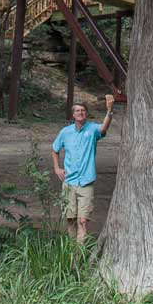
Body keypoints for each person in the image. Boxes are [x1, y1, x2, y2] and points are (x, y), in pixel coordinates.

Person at [51, 93, 116, 243]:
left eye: (83, 111)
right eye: (77, 111)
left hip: (86, 182)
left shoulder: (92, 129)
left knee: (83, 221)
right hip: (69, 182)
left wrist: (109, 111)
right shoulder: (65, 132)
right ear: (73, 114)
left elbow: (104, 127)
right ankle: (71, 255)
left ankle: (79, 258)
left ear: (86, 113)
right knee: (70, 220)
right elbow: (55, 149)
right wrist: (56, 168)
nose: (80, 113)